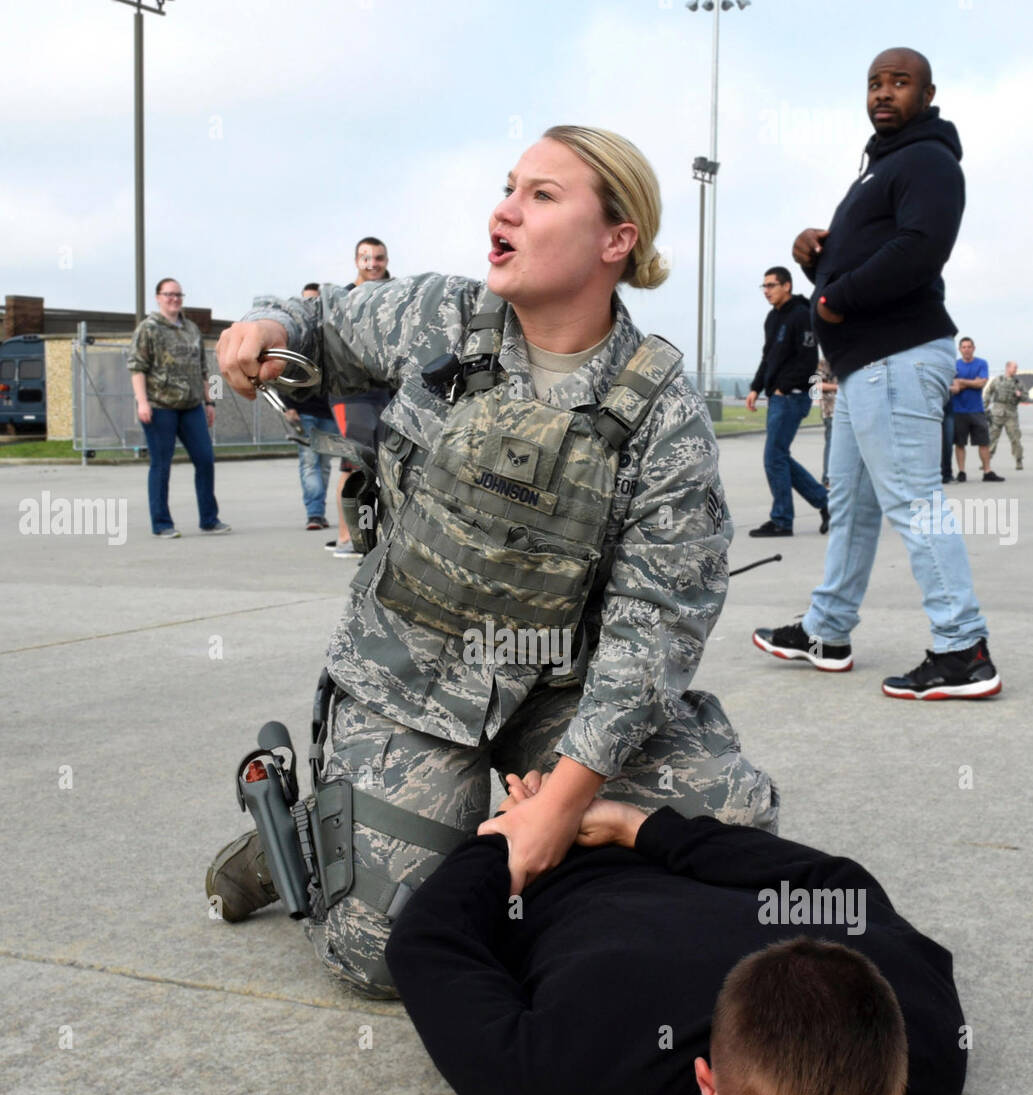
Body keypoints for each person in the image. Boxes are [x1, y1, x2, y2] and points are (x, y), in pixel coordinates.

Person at [209, 126, 778, 997]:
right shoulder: (443, 315)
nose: (503, 210)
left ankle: (500, 844)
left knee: (730, 819)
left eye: (542, 196)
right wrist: (268, 323)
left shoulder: (661, 408)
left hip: (561, 698)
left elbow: (656, 626)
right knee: (385, 955)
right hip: (411, 680)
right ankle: (307, 829)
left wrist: (559, 802)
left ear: (615, 240)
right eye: (509, 187)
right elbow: (316, 323)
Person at [385, 773, 966, 1095]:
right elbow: (423, 942)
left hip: (605, 841)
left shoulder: (928, 1058)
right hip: (550, 881)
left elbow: (835, 884)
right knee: (359, 948)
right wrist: (519, 840)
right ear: (708, 1087)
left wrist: (567, 830)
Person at [752, 48, 1002, 701]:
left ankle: (961, 649)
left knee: (915, 502)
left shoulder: (928, 160)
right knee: (853, 508)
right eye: (874, 83)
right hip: (866, 364)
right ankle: (825, 632)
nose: (883, 93)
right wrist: (816, 256)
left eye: (899, 82)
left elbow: (919, 249)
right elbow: (863, 258)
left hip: (896, 356)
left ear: (927, 93)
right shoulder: (882, 167)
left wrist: (834, 300)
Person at [128, 278, 231, 538]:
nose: (174, 299)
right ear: (158, 297)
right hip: (160, 407)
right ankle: (162, 523)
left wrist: (209, 402)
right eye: (168, 294)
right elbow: (137, 367)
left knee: (205, 459)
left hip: (192, 406)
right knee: (161, 466)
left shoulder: (191, 329)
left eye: (178, 294)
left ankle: (209, 518)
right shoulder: (148, 328)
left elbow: (204, 369)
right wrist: (142, 402)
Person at [323, 238, 394, 557]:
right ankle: (346, 538)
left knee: (387, 467)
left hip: (388, 390)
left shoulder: (397, 294)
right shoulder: (344, 298)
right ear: (356, 261)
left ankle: (377, 535)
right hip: (351, 394)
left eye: (378, 258)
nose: (372, 263)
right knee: (354, 467)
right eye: (366, 258)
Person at [745, 267, 828, 538]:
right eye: (764, 286)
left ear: (787, 286)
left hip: (792, 397)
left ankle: (782, 520)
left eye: (772, 285)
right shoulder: (772, 318)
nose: (767, 290)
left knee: (774, 457)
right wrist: (756, 388)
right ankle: (827, 504)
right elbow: (767, 357)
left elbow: (807, 361)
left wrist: (783, 388)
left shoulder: (802, 315)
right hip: (777, 397)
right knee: (779, 457)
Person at [281, 283, 337, 529]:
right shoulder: (297, 336)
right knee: (309, 461)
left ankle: (319, 511)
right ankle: (314, 513)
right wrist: (287, 406)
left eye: (315, 301)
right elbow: (282, 372)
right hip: (303, 410)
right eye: (306, 301)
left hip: (329, 411)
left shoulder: (332, 335)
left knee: (324, 464)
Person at [951, 336, 1001, 482]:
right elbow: (955, 388)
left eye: (969, 347)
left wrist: (961, 381)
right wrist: (972, 382)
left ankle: (987, 472)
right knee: (960, 443)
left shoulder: (981, 363)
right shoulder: (954, 365)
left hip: (977, 410)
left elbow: (981, 384)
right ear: (960, 349)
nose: (966, 349)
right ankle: (961, 472)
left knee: (983, 442)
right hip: (958, 410)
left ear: (973, 348)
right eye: (964, 347)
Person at [984, 359, 1027, 471]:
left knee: (1015, 438)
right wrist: (984, 407)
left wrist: (1020, 395)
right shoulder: (998, 380)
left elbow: (1026, 397)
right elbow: (988, 393)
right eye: (1014, 368)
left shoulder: (1018, 383)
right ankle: (986, 461)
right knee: (992, 437)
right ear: (1008, 368)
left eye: (1016, 368)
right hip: (997, 412)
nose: (1016, 370)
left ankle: (1019, 460)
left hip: (1011, 413)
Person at [814, 356, 838, 487]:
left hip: (846, 410)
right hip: (830, 410)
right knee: (832, 443)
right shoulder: (824, 363)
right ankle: (827, 478)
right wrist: (838, 387)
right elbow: (817, 385)